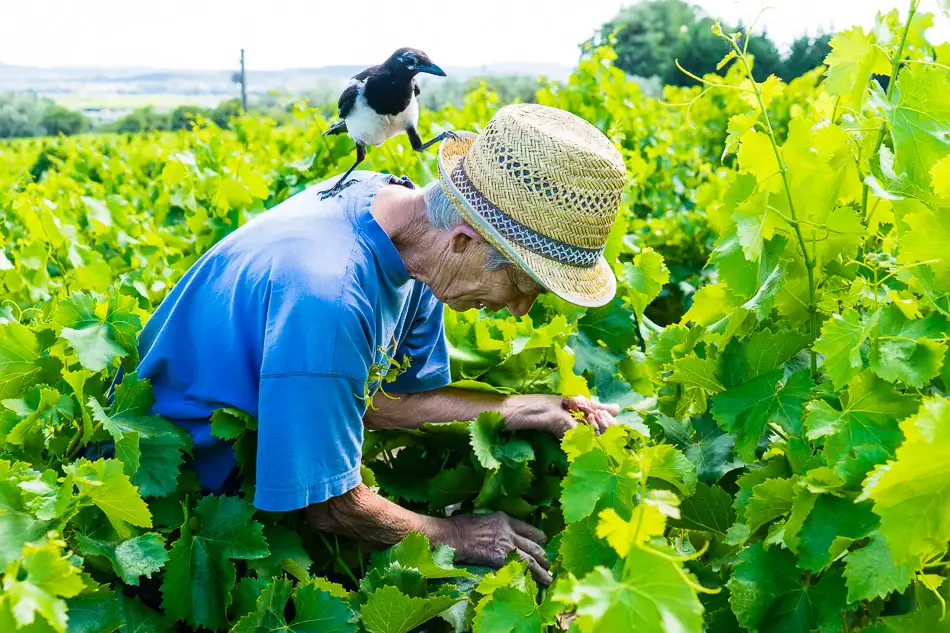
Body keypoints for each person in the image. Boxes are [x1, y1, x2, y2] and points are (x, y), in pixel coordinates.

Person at [136, 103, 628, 585]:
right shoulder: (329, 300)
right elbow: (326, 504)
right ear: (463, 241)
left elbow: (381, 401)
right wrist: (457, 534)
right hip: (165, 507)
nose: (521, 309)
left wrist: (520, 408)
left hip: (233, 478)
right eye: (522, 286)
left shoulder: (408, 230)